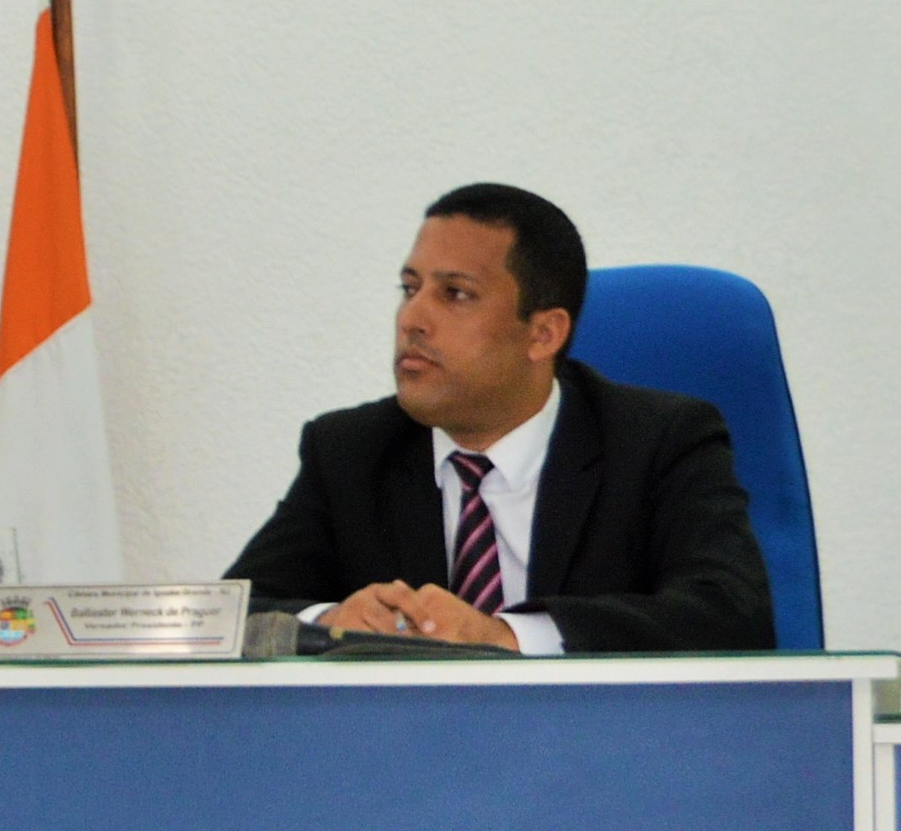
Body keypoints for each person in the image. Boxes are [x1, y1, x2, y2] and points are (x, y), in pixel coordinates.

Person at [225, 183, 771, 653]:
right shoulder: (350, 451)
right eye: (410, 289)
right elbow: (223, 617)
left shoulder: (659, 441)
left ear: (544, 334)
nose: (412, 318)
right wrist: (329, 620)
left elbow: (733, 616)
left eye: (455, 294)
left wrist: (506, 636)